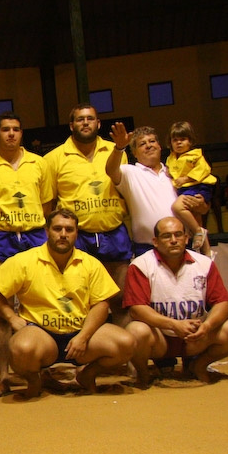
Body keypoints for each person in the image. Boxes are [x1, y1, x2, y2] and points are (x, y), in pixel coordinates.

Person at [0, 209, 134, 396]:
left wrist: (83, 337)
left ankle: (87, 375)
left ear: (76, 233)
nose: (63, 234)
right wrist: (10, 317)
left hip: (81, 335)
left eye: (69, 230)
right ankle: (35, 381)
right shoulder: (25, 260)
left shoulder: (90, 263)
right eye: (57, 229)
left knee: (126, 343)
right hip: (41, 336)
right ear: (47, 231)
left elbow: (101, 305)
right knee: (20, 348)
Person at [0, 110, 54, 393]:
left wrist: (31, 224)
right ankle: (3, 376)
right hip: (0, 238)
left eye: (16, 129)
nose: (11, 134)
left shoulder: (39, 164)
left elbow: (46, 205)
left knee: (42, 303)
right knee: (1, 308)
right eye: (5, 129)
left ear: (21, 133)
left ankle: (43, 369)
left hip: (34, 235)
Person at [123, 216, 228, 387]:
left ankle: (198, 366)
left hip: (195, 337)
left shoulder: (204, 263)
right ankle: (143, 375)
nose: (173, 240)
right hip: (160, 338)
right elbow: (137, 309)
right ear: (155, 242)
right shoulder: (140, 265)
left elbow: (222, 303)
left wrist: (207, 326)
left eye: (178, 235)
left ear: (186, 238)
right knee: (136, 331)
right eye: (166, 236)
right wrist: (174, 325)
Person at [44, 104, 131, 325]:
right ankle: (84, 345)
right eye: (80, 119)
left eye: (90, 118)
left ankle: (126, 346)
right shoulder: (53, 158)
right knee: (81, 302)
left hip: (114, 232)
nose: (85, 123)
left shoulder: (117, 150)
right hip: (78, 237)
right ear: (71, 125)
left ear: (98, 123)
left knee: (120, 299)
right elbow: (49, 204)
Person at [105, 123, 203, 257]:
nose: (148, 145)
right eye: (142, 144)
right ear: (134, 153)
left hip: (182, 245)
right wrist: (119, 148)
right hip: (147, 249)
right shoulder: (129, 172)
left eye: (152, 141)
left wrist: (201, 204)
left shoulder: (175, 172)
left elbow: (201, 207)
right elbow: (111, 170)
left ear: (159, 146)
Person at [165, 121, 215, 254]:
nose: (179, 143)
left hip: (197, 186)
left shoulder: (196, 155)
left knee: (177, 207)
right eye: (175, 140)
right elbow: (171, 171)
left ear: (190, 141)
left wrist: (186, 178)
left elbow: (203, 170)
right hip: (184, 189)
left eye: (183, 139)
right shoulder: (171, 158)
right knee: (194, 216)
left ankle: (199, 231)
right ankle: (207, 252)